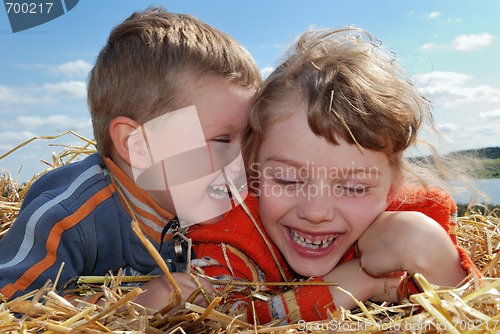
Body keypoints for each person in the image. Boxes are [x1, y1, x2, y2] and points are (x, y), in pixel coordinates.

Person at [187, 27, 479, 324]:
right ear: (253, 173)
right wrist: (354, 282)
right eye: (287, 179)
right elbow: (223, 320)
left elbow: (476, 314)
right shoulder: (234, 234)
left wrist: (434, 256)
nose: (316, 212)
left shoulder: (417, 220)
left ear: (393, 187)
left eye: (353, 187)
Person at [0, 7, 261, 308]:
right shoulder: (72, 216)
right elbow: (10, 300)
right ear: (139, 145)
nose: (242, 159)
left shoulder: (220, 206)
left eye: (250, 138)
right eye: (220, 140)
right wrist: (124, 308)